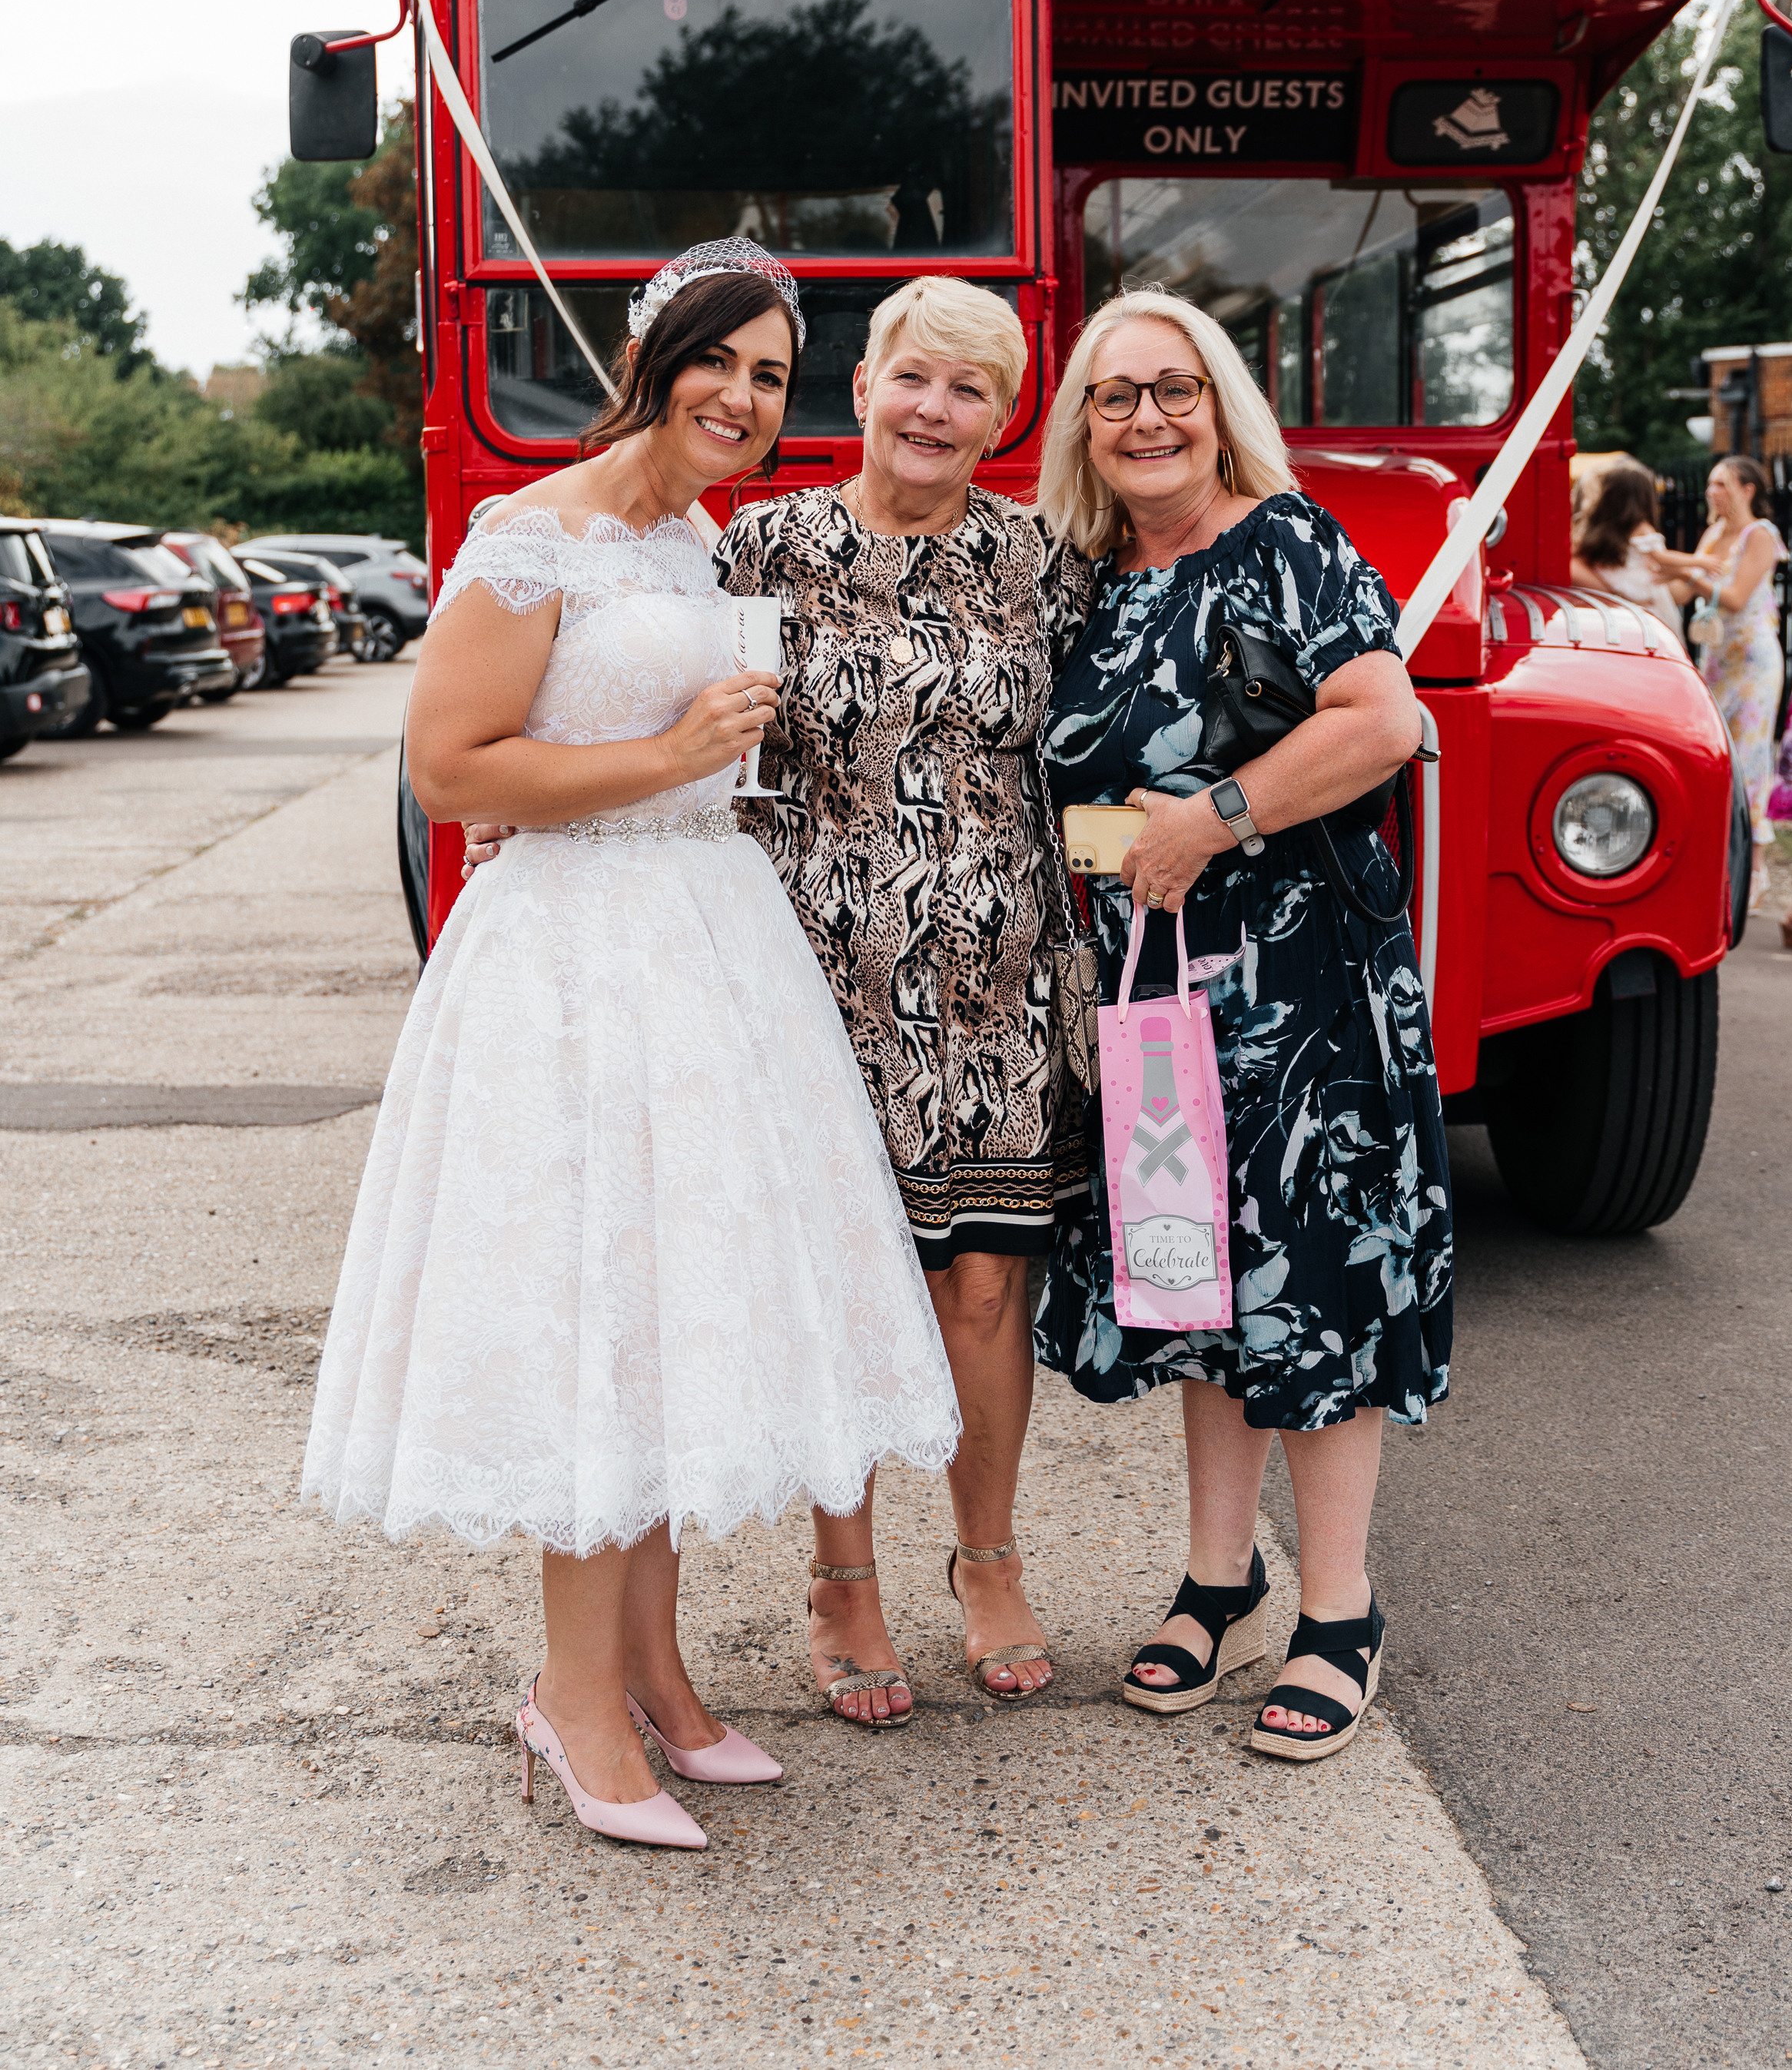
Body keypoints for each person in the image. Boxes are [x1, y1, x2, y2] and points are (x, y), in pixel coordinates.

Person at [301, 242, 959, 1849]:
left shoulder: (692, 545)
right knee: (596, 1306)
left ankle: (659, 1677)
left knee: (673, 1304)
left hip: (705, 938)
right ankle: (572, 1699)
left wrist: (707, 762)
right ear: (648, 353)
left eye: (770, 376)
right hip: (575, 954)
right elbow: (453, 772)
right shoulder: (531, 540)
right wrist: (670, 749)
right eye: (716, 361)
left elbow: (693, 761)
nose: (741, 399)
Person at [1033, 285, 1451, 1763]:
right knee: (1195, 1284)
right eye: (1113, 395)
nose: (1146, 417)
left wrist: (1211, 818)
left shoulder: (1283, 541)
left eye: (1173, 388)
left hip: (1303, 997)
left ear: (1217, 404)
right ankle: (1217, 1576)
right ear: (1082, 428)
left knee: (1318, 1291)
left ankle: (1337, 1612)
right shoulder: (1084, 576)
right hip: (1154, 1000)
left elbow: (1378, 721)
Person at [713, 275, 1094, 1723]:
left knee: (984, 1281)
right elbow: (664, 717)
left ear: (1003, 419)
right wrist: (521, 812)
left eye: (972, 391)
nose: (936, 410)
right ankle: (843, 1582)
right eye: (913, 379)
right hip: (808, 977)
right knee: (841, 1288)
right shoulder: (765, 543)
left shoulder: (1043, 562)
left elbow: (1106, 752)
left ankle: (985, 1559)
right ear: (862, 385)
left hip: (993, 983)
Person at [1687, 453, 1787, 907]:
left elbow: (1734, 596)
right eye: (1710, 484)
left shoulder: (1759, 535)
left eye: (1721, 484)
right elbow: (1680, 588)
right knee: (1716, 755)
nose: (1713, 492)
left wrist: (1675, 564)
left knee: (1748, 758)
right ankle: (1720, 861)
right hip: (1717, 660)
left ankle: (1755, 869)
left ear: (1747, 489)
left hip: (1753, 663)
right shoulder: (1712, 534)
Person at [1569, 455, 1695, 643]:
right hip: (1625, 618)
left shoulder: (1614, 539)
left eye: (1592, 494)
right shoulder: (1596, 539)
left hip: (1635, 617)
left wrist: (1687, 575)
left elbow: (1672, 591)